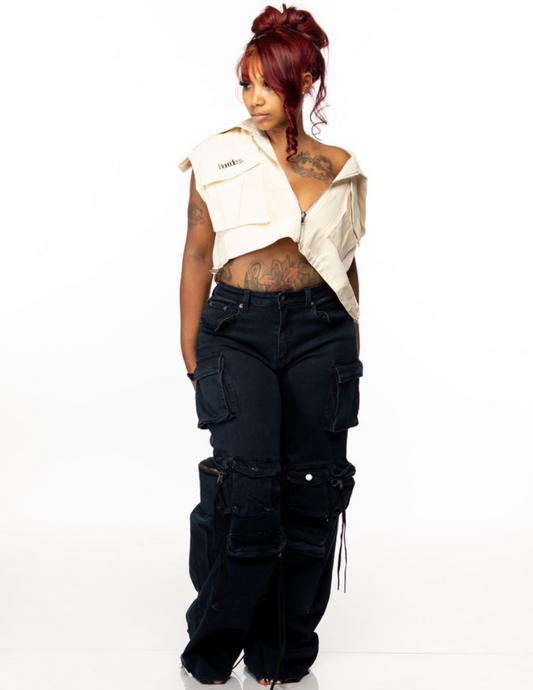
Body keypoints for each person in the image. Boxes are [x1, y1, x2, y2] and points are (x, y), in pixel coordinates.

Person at [178, 4, 367, 687]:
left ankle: (282, 656)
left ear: (305, 82)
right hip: (237, 330)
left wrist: (350, 348)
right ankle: (211, 651)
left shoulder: (340, 167)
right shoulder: (215, 156)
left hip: (322, 331)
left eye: (267, 83)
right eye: (245, 83)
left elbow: (346, 266)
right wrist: (192, 355)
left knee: (313, 490)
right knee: (246, 490)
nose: (253, 98)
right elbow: (196, 255)